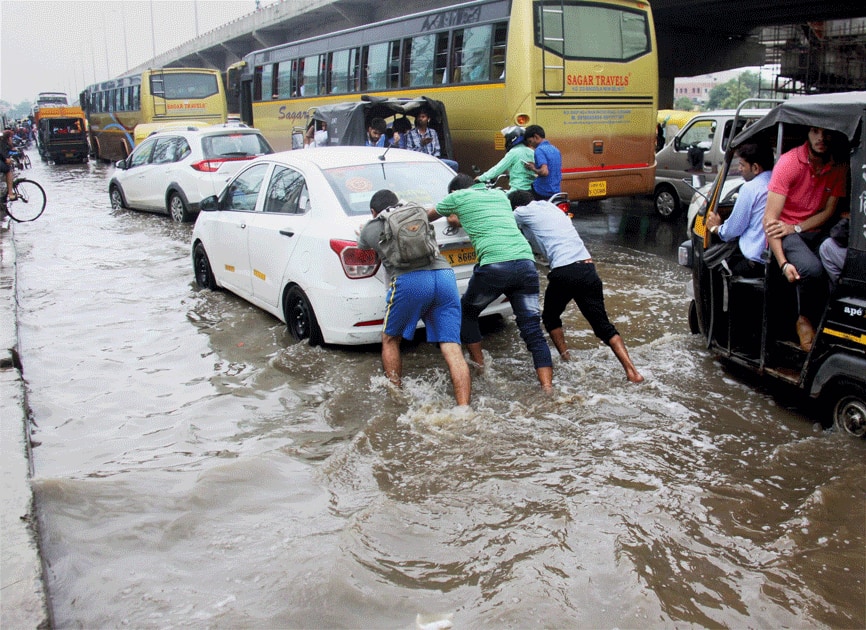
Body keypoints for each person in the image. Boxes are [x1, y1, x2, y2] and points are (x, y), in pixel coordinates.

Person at [430, 174, 554, 391]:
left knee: (467, 313)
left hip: (495, 267)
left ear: (454, 192)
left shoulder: (457, 197)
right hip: (525, 264)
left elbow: (426, 217)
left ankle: (480, 367)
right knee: (532, 328)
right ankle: (547, 387)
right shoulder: (499, 195)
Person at [508, 190, 644, 383]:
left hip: (564, 270)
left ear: (516, 206)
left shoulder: (521, 211)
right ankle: (632, 372)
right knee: (603, 327)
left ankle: (566, 358)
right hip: (588, 268)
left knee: (550, 317)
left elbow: (500, 219)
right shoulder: (552, 209)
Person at [356, 189, 471, 406]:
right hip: (444, 276)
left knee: (390, 340)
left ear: (373, 211)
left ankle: (396, 398)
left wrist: (363, 230)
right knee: (452, 346)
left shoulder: (373, 226)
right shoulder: (417, 213)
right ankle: (464, 408)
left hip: (410, 281)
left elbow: (362, 248)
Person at [763, 127, 848, 351]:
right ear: (807, 134)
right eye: (815, 132)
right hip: (783, 231)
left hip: (810, 228)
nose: (821, 138)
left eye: (826, 133)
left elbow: (829, 212)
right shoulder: (789, 162)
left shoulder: (838, 166)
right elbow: (770, 221)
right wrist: (783, 263)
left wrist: (797, 227)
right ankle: (803, 320)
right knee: (811, 269)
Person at [705, 142, 774, 277]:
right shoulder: (778, 182)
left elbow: (732, 231)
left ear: (755, 168)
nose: (739, 169)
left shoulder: (750, 188)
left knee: (710, 263)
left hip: (754, 262)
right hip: (770, 258)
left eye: (742, 165)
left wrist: (716, 228)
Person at [475, 126, 536, 192]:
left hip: (517, 190)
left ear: (511, 138)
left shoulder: (514, 152)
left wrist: (481, 178)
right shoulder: (532, 152)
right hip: (531, 189)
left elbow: (498, 168)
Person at [523, 124, 562, 201]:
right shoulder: (555, 149)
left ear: (536, 137)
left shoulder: (539, 150)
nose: (530, 145)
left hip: (542, 191)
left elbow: (544, 172)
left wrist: (533, 168)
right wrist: (535, 165)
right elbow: (551, 167)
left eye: (530, 141)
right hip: (556, 190)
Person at [1, 130, 16, 201]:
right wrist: (6, 160)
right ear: (9, 138)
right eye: (11, 138)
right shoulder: (2, 143)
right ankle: (10, 193)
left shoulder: (4, 143)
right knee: (8, 170)